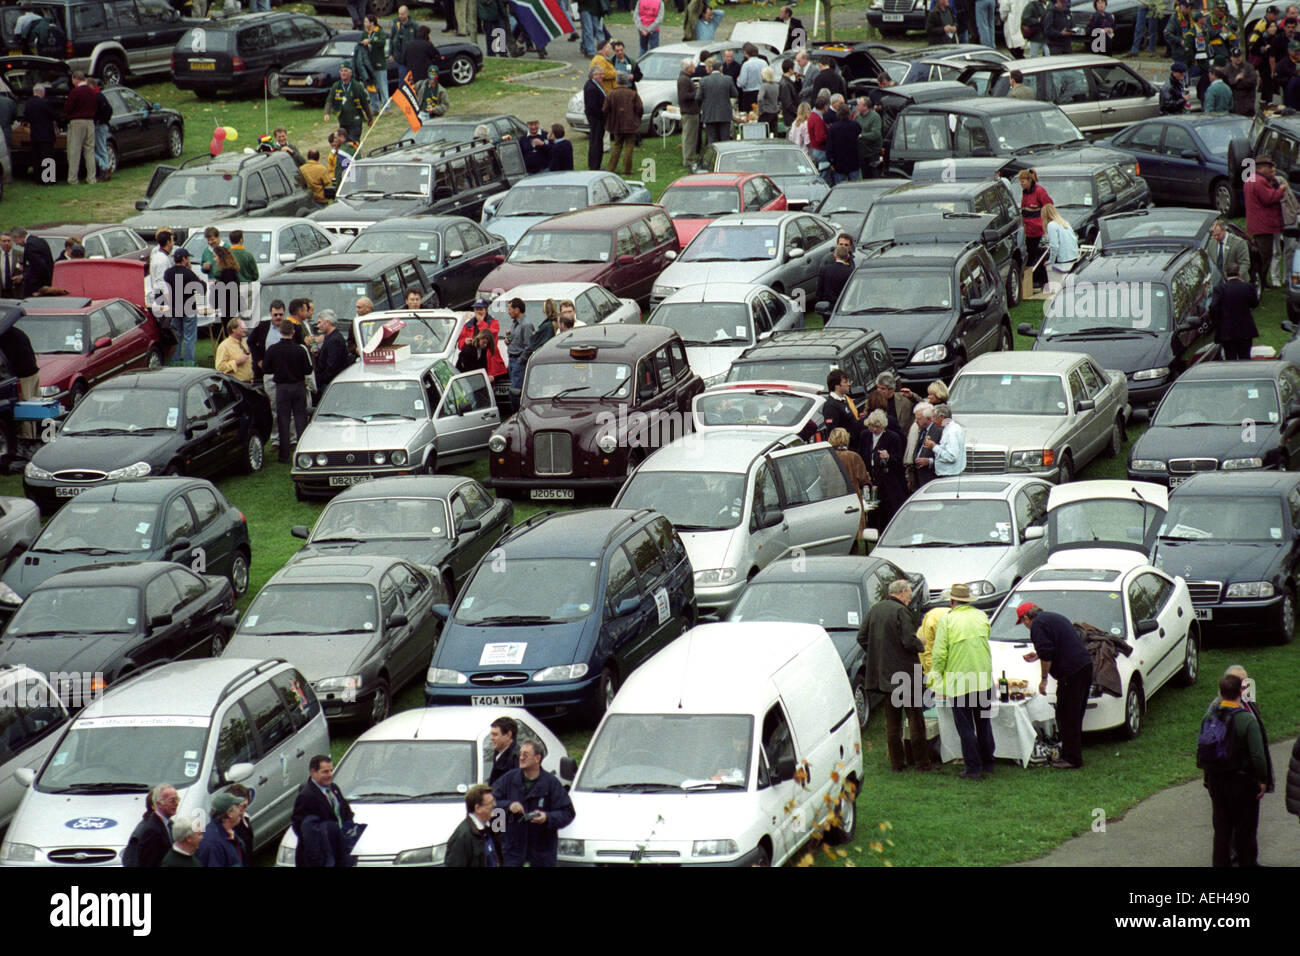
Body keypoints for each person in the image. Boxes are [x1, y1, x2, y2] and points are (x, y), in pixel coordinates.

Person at [861, 579, 931, 772]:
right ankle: (922, 763)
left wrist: (878, 652)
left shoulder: (876, 609)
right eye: (908, 594)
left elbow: (862, 637)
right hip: (906, 674)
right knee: (915, 719)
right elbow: (909, 641)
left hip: (885, 676)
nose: (910, 598)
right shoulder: (901, 612)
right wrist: (921, 642)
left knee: (892, 722)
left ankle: (897, 763)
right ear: (901, 593)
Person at [1200, 672, 1268, 867]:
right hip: (1242, 782)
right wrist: (1262, 780)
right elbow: (1257, 755)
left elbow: (1204, 748)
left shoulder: (1209, 716)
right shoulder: (1246, 719)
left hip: (1216, 780)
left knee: (1221, 829)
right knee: (1245, 829)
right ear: (1241, 692)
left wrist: (1208, 776)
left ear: (1220, 692)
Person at [928, 583, 995, 780]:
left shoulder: (948, 620)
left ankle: (973, 768)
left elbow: (940, 653)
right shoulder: (982, 616)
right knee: (984, 723)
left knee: (966, 727)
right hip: (983, 678)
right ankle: (988, 762)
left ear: (951, 602)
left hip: (960, 681)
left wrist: (934, 678)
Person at [1015, 602, 1093, 769]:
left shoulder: (1037, 626)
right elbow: (1054, 645)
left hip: (1071, 672)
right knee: (1075, 713)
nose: (1025, 626)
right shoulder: (1053, 617)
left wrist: (1043, 679)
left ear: (1027, 617)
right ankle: (1071, 753)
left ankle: (1072, 758)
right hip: (1084, 665)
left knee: (1066, 715)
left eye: (1023, 622)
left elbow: (1048, 653)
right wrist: (1038, 655)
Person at [491, 738, 576, 867]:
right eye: (520, 754)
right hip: (513, 853)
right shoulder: (508, 780)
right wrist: (509, 806)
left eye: (526, 754)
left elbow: (567, 813)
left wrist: (547, 818)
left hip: (542, 855)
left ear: (537, 758)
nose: (521, 757)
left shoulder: (551, 784)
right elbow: (489, 804)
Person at [263, 310, 314, 461]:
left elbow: (266, 369)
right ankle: (302, 450)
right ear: (293, 331)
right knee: (300, 419)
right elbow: (308, 369)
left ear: (280, 331)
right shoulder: (300, 350)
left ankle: (284, 454)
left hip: (282, 388)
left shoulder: (273, 350)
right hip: (298, 386)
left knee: (283, 419)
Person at [291, 755, 356, 868]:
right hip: (322, 856)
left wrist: (348, 830)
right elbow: (299, 826)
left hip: (340, 848)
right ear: (313, 772)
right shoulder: (306, 796)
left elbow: (346, 812)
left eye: (331, 770)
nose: (330, 775)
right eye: (325, 772)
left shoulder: (334, 788)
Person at [1245, 154, 1287, 287]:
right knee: (1265, 256)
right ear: (1262, 168)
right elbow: (1269, 198)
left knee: (1260, 254)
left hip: (1256, 224)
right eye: (1270, 169)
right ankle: (1260, 281)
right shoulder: (1260, 181)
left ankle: (1261, 281)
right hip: (1264, 225)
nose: (1272, 172)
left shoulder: (1250, 179)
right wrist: (1281, 190)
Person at [864, 408, 905, 527]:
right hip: (872, 479)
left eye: (878, 427)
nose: (875, 430)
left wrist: (889, 457)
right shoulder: (865, 435)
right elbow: (862, 454)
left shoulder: (893, 437)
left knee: (887, 510)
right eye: (872, 426)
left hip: (888, 481)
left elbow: (898, 461)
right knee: (873, 511)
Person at [1210, 263, 1260, 360]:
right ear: (1238, 274)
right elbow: (1254, 303)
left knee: (1230, 358)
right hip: (1245, 330)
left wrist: (1217, 322)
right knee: (1245, 358)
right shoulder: (1248, 287)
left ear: (1225, 274)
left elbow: (1213, 307)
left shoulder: (1220, 289)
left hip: (1227, 331)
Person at [446, 784, 504, 867]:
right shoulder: (462, 837)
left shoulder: (488, 829)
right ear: (478, 808)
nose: (494, 804)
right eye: (490, 803)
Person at [122, 785, 179, 867]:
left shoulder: (168, 824)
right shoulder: (150, 830)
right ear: (156, 804)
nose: (176, 803)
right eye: (172, 800)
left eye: (177, 799)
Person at [163, 248, 202, 365]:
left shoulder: (168, 273)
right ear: (184, 259)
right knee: (189, 337)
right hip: (189, 307)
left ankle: (175, 360)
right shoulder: (188, 273)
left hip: (175, 307)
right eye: (188, 258)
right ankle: (189, 361)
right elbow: (201, 288)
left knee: (177, 336)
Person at [1019, 168, 1054, 289]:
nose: (1021, 184)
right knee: (1030, 256)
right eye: (1020, 181)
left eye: (1023, 181)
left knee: (1040, 256)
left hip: (1039, 231)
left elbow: (1049, 206)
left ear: (1029, 180)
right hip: (1028, 232)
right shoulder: (1025, 193)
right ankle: (1032, 281)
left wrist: (1046, 224)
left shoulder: (1039, 191)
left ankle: (1042, 281)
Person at [604, 72, 643, 177]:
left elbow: (605, 109)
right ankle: (627, 170)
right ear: (627, 81)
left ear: (617, 81)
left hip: (617, 125)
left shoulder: (611, 94)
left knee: (617, 146)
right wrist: (636, 118)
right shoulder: (633, 94)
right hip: (631, 125)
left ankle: (611, 168)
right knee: (629, 146)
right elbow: (640, 108)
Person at [324, 63, 374, 143]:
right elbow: (329, 101)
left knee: (353, 141)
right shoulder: (336, 86)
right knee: (344, 142)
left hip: (355, 121)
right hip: (343, 121)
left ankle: (357, 154)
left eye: (345, 71)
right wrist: (327, 113)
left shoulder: (357, 86)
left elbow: (365, 104)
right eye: (341, 71)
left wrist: (370, 118)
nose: (343, 73)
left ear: (350, 73)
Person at [63, 70, 97, 186]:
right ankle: (91, 178)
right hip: (90, 122)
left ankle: (73, 179)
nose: (72, 82)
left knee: (74, 151)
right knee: (90, 151)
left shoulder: (75, 92)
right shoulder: (92, 92)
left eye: (73, 80)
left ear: (76, 79)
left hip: (77, 122)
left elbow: (68, 108)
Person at [196, 793, 248, 867]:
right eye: (237, 807)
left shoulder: (228, 833)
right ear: (229, 813)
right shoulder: (213, 844)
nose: (240, 810)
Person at [22, 84, 58, 182]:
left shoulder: (28, 103)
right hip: (46, 134)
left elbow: (26, 118)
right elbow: (54, 115)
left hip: (34, 134)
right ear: (42, 92)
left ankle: (37, 178)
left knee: (36, 157)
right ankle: (48, 179)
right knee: (47, 157)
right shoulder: (45, 103)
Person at [699, 58, 737, 148]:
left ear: (711, 69)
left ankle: (711, 159)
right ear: (721, 69)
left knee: (711, 140)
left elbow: (698, 97)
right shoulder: (728, 79)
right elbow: (735, 94)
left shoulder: (704, 80)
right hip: (724, 114)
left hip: (709, 113)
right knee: (725, 140)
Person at [249, 299, 285, 390]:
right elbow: (250, 342)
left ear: (284, 313)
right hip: (267, 370)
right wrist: (258, 360)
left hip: (285, 369)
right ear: (270, 314)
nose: (278, 317)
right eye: (275, 315)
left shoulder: (290, 327)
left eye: (280, 314)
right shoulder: (262, 326)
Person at [1042, 203, 1079, 292]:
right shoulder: (1065, 223)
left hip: (1064, 259)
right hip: (1074, 256)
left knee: (1044, 263)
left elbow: (1054, 246)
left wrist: (1050, 261)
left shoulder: (1051, 225)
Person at [504, 297, 532, 412]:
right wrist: (508, 339)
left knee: (515, 391)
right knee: (513, 389)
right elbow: (515, 340)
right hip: (511, 360)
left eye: (510, 309)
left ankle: (517, 413)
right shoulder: (514, 324)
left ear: (517, 310)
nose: (508, 312)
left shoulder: (526, 324)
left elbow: (529, 346)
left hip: (519, 362)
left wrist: (520, 361)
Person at [823, 368, 863, 444]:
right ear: (837, 386)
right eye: (845, 382)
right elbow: (833, 432)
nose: (849, 384)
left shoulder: (844, 400)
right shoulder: (831, 406)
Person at [903, 402, 938, 492]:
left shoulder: (938, 431)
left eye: (918, 419)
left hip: (931, 479)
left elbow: (946, 457)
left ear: (929, 419)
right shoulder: (922, 430)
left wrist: (929, 461)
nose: (915, 421)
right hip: (919, 478)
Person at [924, 404, 966, 476]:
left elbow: (951, 456)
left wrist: (934, 447)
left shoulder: (952, 432)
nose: (932, 421)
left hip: (950, 475)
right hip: (948, 474)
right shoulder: (948, 429)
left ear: (941, 417)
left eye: (934, 417)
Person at [815, 233, 855, 309]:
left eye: (846, 245)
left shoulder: (851, 260)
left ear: (850, 246)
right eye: (841, 244)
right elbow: (821, 283)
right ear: (837, 245)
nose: (843, 247)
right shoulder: (828, 260)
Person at [314, 311, 350, 394]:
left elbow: (332, 364)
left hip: (329, 383)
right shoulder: (331, 337)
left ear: (327, 322)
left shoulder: (334, 340)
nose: (318, 326)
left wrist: (322, 379)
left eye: (319, 322)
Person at [826, 103, 862, 185]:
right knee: (856, 186)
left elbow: (829, 147)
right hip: (854, 162)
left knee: (841, 189)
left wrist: (831, 161)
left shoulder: (833, 129)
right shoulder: (856, 126)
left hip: (839, 163)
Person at [677, 58, 702, 169]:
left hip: (689, 111)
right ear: (687, 68)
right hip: (689, 111)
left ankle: (689, 158)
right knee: (689, 137)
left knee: (689, 136)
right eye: (692, 66)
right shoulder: (684, 80)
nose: (695, 68)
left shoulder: (685, 79)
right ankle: (688, 160)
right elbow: (683, 97)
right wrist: (696, 92)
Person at [583, 67, 607, 171]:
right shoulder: (591, 88)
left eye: (602, 74)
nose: (602, 76)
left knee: (597, 141)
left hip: (597, 118)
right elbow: (592, 107)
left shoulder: (595, 85)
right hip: (596, 119)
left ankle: (595, 164)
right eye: (599, 74)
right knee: (596, 142)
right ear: (593, 75)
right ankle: (595, 165)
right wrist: (602, 115)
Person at [216, 317, 254, 383]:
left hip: (249, 384)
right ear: (233, 329)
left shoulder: (244, 343)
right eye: (242, 328)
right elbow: (220, 368)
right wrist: (237, 362)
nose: (245, 330)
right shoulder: (224, 346)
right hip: (235, 385)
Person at [90, 77, 112, 182]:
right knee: (102, 149)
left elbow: (108, 110)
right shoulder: (100, 95)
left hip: (99, 126)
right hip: (102, 124)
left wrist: (99, 120)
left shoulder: (97, 96)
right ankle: (106, 170)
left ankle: (105, 167)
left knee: (95, 149)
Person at [854, 96, 882, 177]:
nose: (857, 107)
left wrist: (861, 136)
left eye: (858, 105)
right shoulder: (858, 117)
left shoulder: (875, 117)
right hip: (862, 153)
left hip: (873, 153)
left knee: (874, 175)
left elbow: (876, 134)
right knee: (865, 175)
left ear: (865, 107)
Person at [489, 715, 520, 784]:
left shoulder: (517, 758)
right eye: (491, 734)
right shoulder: (498, 753)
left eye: (495, 734)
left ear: (508, 735)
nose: (491, 738)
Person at [1227, 46, 1259, 114]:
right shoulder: (1227, 69)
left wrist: (1238, 83)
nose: (1238, 58)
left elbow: (1253, 81)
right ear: (1231, 58)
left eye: (1239, 56)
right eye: (1235, 57)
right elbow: (1226, 83)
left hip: (1247, 104)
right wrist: (1235, 80)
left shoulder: (1248, 67)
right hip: (1233, 105)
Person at [388, 5, 419, 70]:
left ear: (407, 14)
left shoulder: (414, 25)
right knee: (402, 78)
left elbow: (418, 40)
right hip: (399, 58)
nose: (400, 16)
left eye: (402, 14)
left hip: (411, 57)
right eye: (399, 14)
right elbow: (391, 39)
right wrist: (390, 54)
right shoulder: (396, 25)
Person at [756, 66, 780, 136]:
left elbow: (760, 98)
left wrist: (760, 110)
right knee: (774, 134)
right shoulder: (776, 86)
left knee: (763, 134)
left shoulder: (764, 86)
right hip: (775, 112)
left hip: (766, 113)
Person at [0, 233, 19, 298]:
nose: (6, 243)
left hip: (16, 292)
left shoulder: (21, 255)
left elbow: (28, 271)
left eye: (9, 241)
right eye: (4, 241)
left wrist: (21, 276)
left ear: (12, 241)